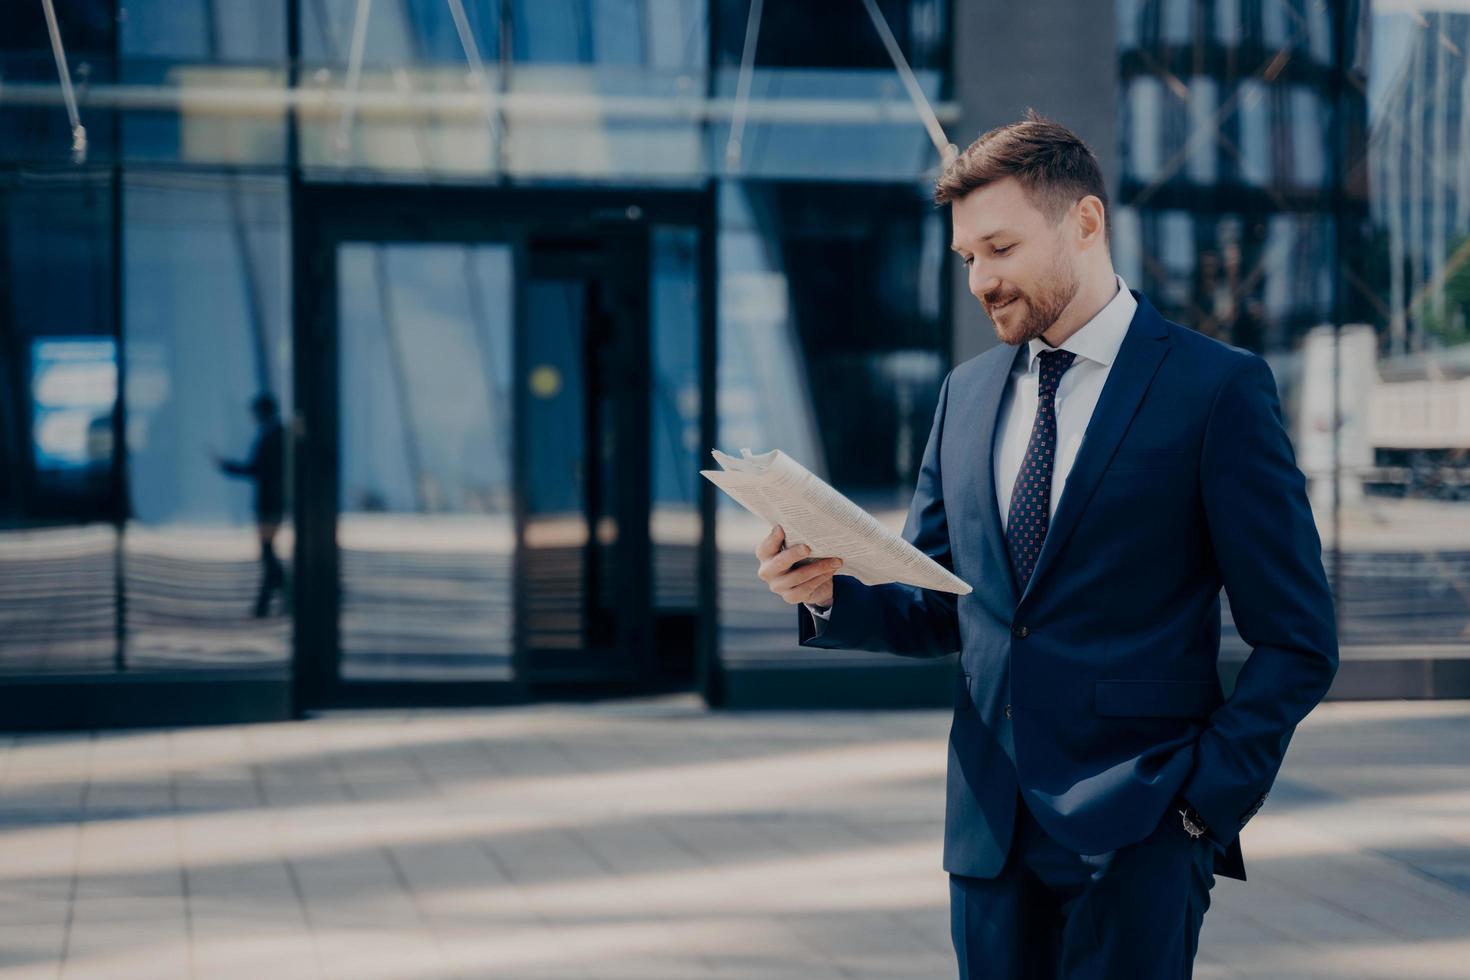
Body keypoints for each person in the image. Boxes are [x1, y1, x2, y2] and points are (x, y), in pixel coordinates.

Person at [755, 110, 1338, 979]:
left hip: (1140, 833)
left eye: (1000, 248)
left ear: (1086, 222)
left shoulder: (1216, 391)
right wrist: (824, 592)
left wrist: (1200, 809)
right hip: (987, 840)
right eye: (966, 260)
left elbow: (1298, 640)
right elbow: (942, 606)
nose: (980, 281)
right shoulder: (966, 394)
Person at [215, 393, 287, 618]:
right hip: (274, 501)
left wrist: (227, 467)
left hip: (269, 503)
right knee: (268, 552)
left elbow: (256, 469)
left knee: (267, 552)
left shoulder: (270, 437)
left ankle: (278, 599)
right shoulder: (278, 435)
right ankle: (271, 602)